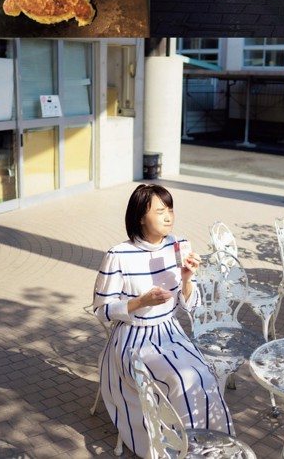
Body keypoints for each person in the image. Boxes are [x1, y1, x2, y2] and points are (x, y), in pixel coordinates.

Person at [93, 184, 232, 457]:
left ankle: (210, 447)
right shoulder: (118, 254)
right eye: (160, 211)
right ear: (141, 217)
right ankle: (180, 449)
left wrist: (187, 278)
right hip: (133, 339)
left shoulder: (176, 245)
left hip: (170, 332)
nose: (169, 216)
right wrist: (140, 302)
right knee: (181, 379)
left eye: (170, 209)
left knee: (204, 375)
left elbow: (190, 304)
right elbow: (101, 309)